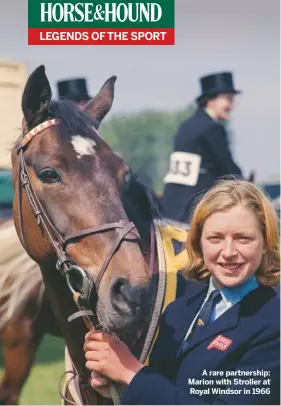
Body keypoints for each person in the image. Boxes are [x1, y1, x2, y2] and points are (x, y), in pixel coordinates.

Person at [84, 178, 280, 405]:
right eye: (215, 238)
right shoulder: (178, 311)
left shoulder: (274, 322)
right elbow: (166, 391)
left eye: (243, 238)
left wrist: (130, 372)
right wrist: (121, 386)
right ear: (198, 242)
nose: (228, 252)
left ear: (265, 243)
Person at [161, 71, 243, 223]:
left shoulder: (186, 125)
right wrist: (246, 185)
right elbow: (227, 168)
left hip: (171, 205)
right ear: (210, 101)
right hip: (196, 206)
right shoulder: (212, 128)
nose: (231, 106)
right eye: (228, 100)